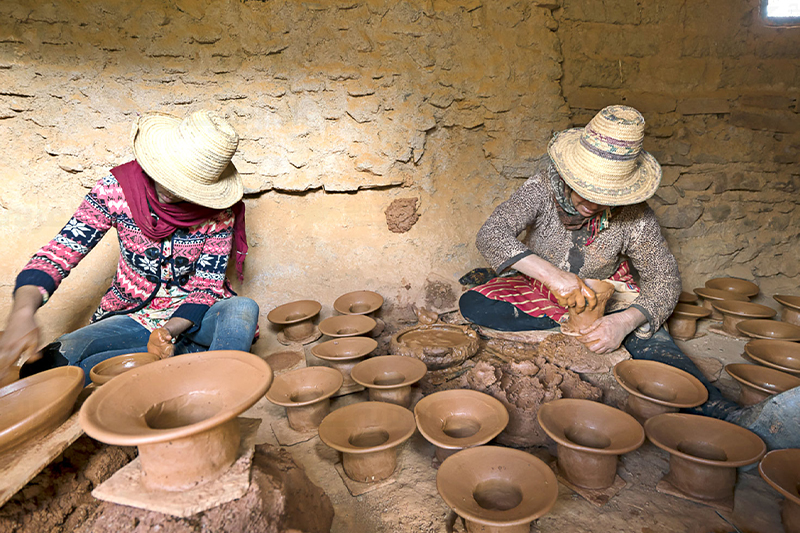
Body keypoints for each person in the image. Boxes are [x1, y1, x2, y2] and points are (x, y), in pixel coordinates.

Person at [460, 105, 799, 450]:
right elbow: (491, 233)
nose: (592, 202)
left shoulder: (635, 214)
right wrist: (552, 275)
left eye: (605, 195)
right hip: (541, 285)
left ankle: (726, 414)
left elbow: (665, 280)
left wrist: (623, 323)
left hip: (606, 291)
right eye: (584, 189)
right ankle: (568, 326)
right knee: (475, 305)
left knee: (651, 339)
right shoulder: (542, 186)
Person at [0, 110, 259, 384]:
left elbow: (207, 287)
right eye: (169, 176)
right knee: (42, 370)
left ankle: (213, 390)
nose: (172, 190)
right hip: (132, 317)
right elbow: (60, 252)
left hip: (194, 318)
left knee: (241, 310)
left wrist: (168, 331)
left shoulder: (219, 212)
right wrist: (23, 311)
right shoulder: (116, 190)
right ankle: (185, 361)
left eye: (186, 185)